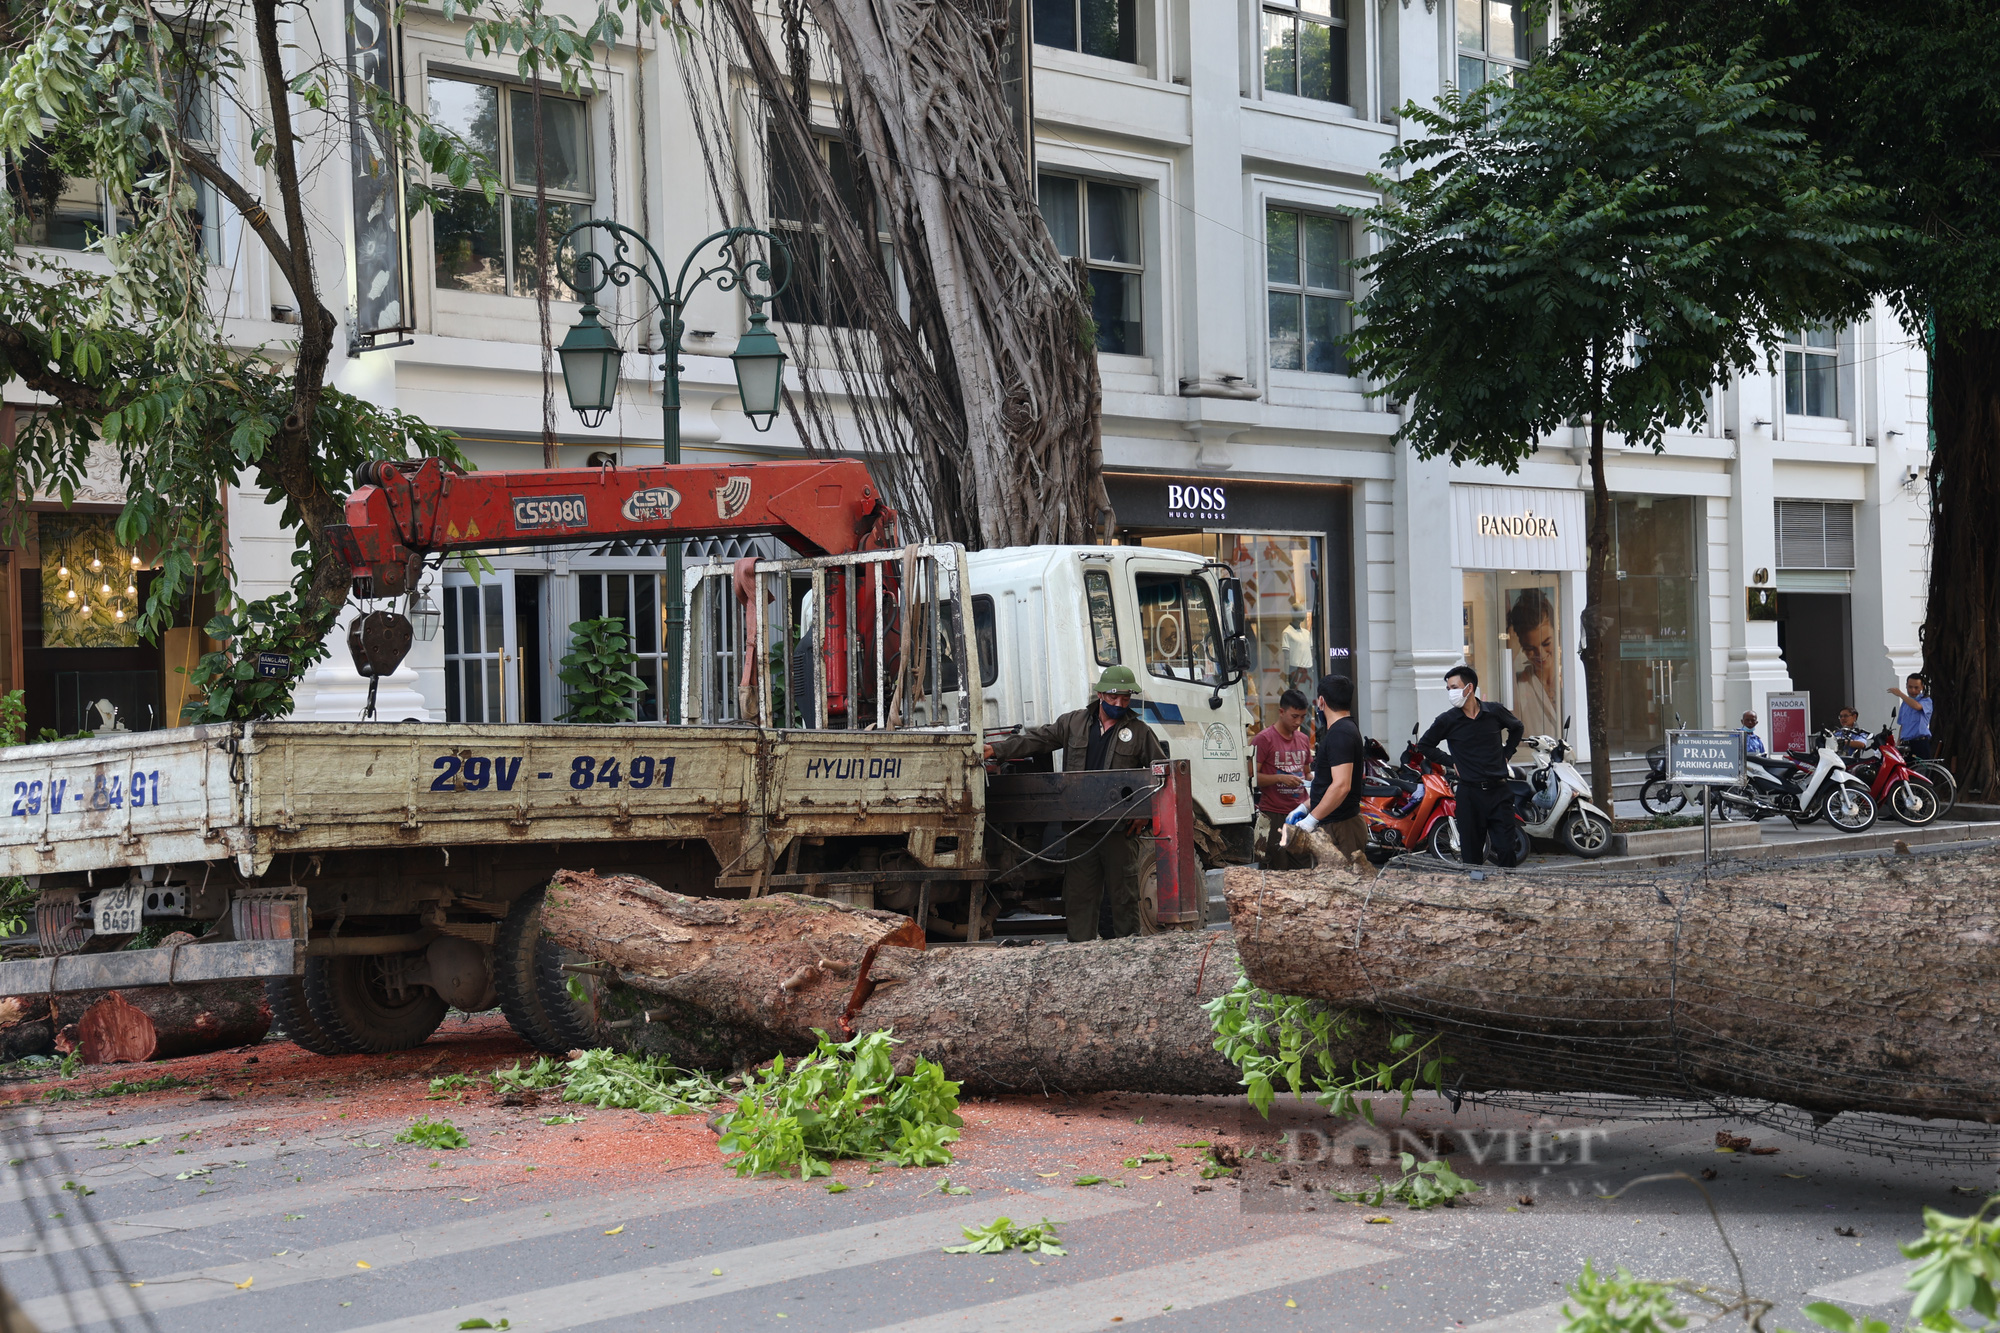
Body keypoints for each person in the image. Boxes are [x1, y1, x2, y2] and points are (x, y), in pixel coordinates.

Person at [984, 665, 1166, 941]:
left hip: (1118, 830)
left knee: (1123, 896)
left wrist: (1146, 813)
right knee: (1079, 898)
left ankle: (1130, 955)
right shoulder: (1074, 723)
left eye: (1126, 699)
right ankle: (1080, 955)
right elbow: (1038, 739)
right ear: (1100, 694)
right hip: (1080, 829)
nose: (1119, 704)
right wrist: (998, 750)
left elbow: (1161, 774)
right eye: (1114, 698)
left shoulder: (1139, 732)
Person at [1417, 665, 1525, 867]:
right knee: (1472, 853)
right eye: (1448, 689)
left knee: (1507, 848)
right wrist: (1452, 762)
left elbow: (1517, 727)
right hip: (1469, 794)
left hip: (1499, 791)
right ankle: (1474, 891)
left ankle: (1510, 889)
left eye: (1454, 687)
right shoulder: (1447, 720)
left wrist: (1507, 754)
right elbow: (1424, 745)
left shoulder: (1494, 711)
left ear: (1469, 687)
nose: (1451, 692)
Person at [1284, 676, 1369, 868]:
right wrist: (1306, 807)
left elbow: (1341, 786)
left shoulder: (1341, 733)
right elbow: (1329, 783)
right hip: (1334, 824)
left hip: (1342, 827)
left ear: (1321, 701)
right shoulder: (1341, 730)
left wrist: (1312, 819)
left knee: (1345, 891)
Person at [1252, 689, 1313, 868]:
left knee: (1302, 869)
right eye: (1294, 716)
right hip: (1272, 815)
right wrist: (1280, 778)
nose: (1298, 722)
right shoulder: (1263, 739)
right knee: (1273, 870)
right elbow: (1253, 778)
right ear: (1281, 712)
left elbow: (1307, 772)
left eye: (1303, 717)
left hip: (1300, 814)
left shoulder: (1303, 739)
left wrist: (1314, 779)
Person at [1505, 590, 1562, 747]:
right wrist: (1510, 654)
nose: (1540, 653)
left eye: (1546, 643)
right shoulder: (1520, 685)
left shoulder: (1571, 678)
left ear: (1557, 634)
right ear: (1521, 646)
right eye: (1530, 647)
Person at [1890, 674, 1935, 762]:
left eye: (1916, 687)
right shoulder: (1905, 703)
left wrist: (1901, 694)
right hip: (1906, 743)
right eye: (1910, 687)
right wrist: (1899, 741)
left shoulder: (1926, 700)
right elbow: (1903, 724)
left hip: (1920, 742)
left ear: (1922, 687)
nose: (1913, 690)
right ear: (1906, 686)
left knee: (1919, 771)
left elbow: (1917, 706)